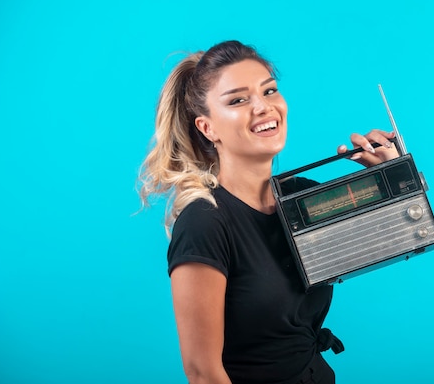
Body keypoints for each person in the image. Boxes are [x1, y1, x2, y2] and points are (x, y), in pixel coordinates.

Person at [138, 40, 399, 384]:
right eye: (238, 100)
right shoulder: (204, 223)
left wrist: (392, 178)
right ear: (208, 127)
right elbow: (202, 372)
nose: (263, 107)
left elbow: (397, 240)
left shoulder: (299, 194)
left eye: (269, 91)